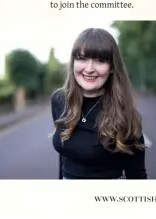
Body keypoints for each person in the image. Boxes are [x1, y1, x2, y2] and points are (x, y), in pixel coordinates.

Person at [51, 28, 147, 180]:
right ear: (73, 62)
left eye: (100, 60)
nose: (89, 69)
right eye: (82, 58)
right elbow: (64, 158)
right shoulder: (59, 100)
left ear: (112, 68)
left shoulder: (125, 114)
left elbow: (136, 175)